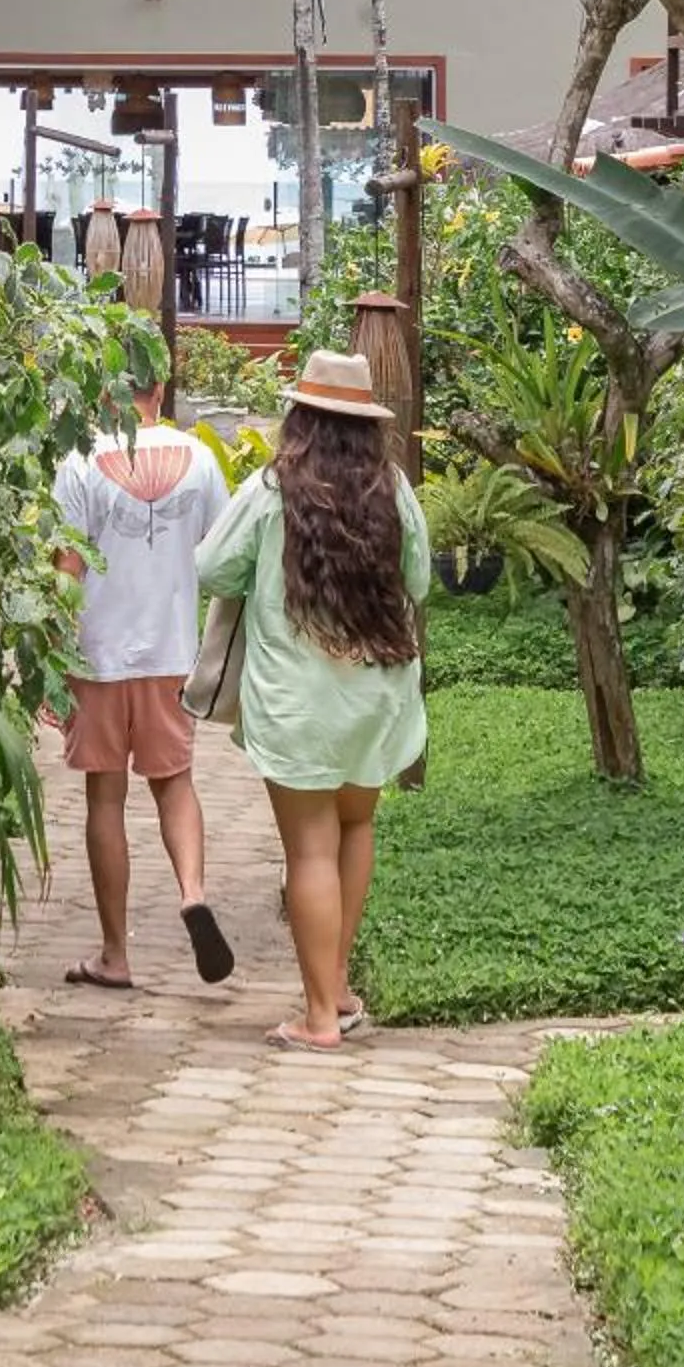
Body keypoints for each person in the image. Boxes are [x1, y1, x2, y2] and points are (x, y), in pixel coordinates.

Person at [196, 349, 428, 1053]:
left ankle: (320, 1017)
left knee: (310, 852)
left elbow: (211, 566)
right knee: (355, 831)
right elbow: (418, 578)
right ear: (366, 427)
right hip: (376, 697)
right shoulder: (392, 488)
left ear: (300, 417)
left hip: (298, 705)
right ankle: (339, 988)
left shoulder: (275, 489)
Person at [53, 369, 236, 990]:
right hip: (171, 654)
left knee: (105, 799)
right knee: (175, 784)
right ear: (160, 393)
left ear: (104, 396)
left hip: (99, 655)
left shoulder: (80, 459)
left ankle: (114, 954)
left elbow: (68, 566)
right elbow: (222, 557)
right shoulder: (201, 459)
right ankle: (192, 893)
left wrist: (52, 653)